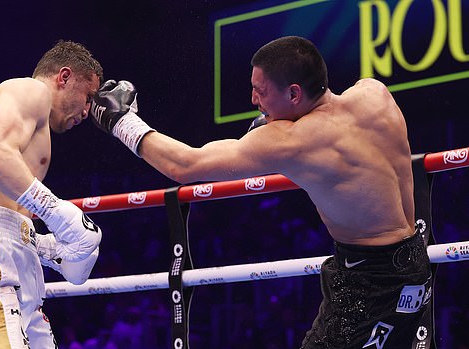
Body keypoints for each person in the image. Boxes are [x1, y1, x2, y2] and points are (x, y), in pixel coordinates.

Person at [89, 36, 434, 348]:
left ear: (294, 94)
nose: (254, 99)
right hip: (414, 262)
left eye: (262, 91)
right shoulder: (374, 93)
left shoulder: (293, 141)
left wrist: (123, 122)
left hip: (369, 282)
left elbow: (186, 166)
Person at [0, 40, 103, 348]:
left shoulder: (37, 123)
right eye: (88, 96)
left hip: (12, 259)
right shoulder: (30, 91)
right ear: (64, 77)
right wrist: (59, 214)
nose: (87, 110)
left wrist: (45, 246)